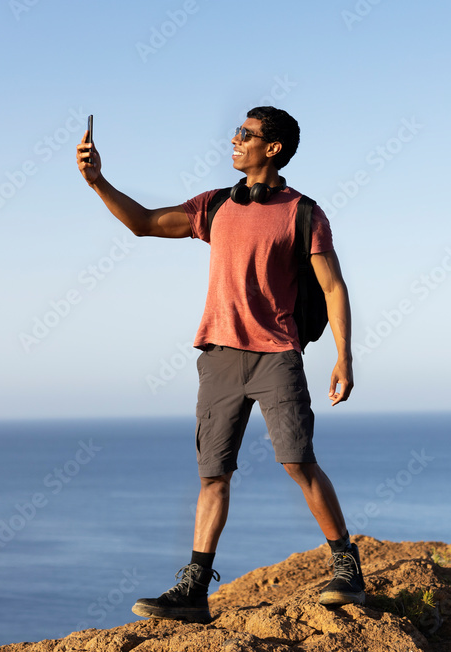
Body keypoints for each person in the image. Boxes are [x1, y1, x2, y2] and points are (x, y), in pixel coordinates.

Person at [76, 107, 365, 624]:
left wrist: (344, 355)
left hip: (277, 354)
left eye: (245, 134)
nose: (233, 139)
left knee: (297, 461)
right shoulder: (214, 206)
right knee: (214, 474)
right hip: (219, 356)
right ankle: (194, 590)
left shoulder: (304, 213)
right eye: (237, 131)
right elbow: (143, 224)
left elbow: (333, 286)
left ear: (272, 148)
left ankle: (347, 566)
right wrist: (99, 181)